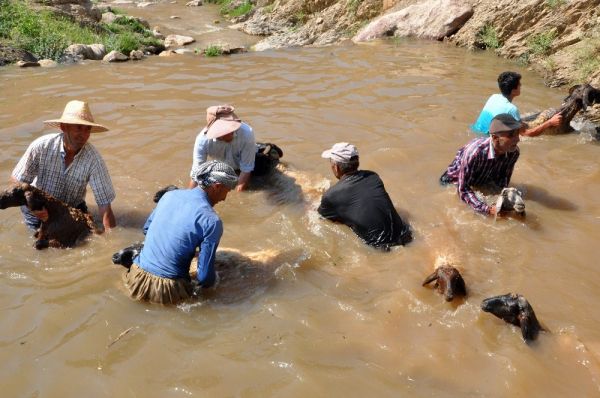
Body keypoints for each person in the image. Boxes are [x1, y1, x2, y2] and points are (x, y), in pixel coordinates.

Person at [124, 160, 238, 305]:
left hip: (135, 277)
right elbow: (205, 278)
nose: (224, 198)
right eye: (226, 191)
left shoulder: (169, 195)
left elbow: (146, 229)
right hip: (167, 291)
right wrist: (217, 280)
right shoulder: (212, 221)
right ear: (217, 186)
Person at [11, 100, 116, 232]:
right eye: (78, 127)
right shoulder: (41, 146)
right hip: (38, 205)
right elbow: (17, 179)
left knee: (86, 240)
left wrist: (111, 239)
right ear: (63, 127)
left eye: (87, 129)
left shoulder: (93, 159)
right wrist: (32, 205)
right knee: (41, 244)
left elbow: (104, 205)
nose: (83, 135)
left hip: (71, 208)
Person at [318, 142, 412, 250]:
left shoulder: (331, 195)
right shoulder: (373, 177)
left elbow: (324, 219)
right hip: (406, 235)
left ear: (336, 167)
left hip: (381, 249)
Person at [441, 113, 524, 216]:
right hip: (453, 181)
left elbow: (503, 180)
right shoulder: (475, 152)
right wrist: (487, 210)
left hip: (481, 180)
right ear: (495, 138)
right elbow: (463, 189)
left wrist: (503, 201)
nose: (517, 139)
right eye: (511, 135)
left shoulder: (513, 153)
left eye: (517, 133)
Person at [471, 71, 562, 137]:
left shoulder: (494, 97)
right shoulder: (511, 109)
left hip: (475, 133)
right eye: (519, 84)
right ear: (514, 90)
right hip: (487, 140)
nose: (521, 86)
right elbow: (526, 134)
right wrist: (550, 123)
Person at [188, 105, 257, 192]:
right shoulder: (202, 141)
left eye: (232, 127)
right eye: (227, 130)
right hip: (225, 169)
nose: (231, 131)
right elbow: (196, 174)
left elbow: (246, 169)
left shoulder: (246, 133)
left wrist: (238, 196)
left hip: (250, 161)